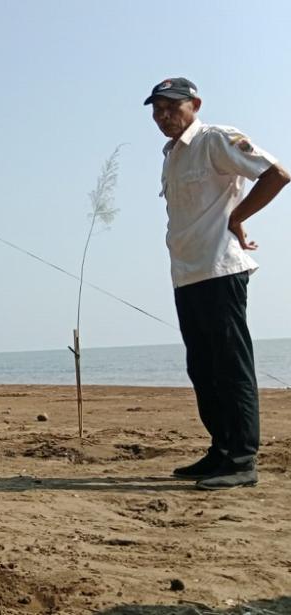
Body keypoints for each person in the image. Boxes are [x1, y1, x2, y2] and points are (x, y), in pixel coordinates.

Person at [145, 77, 289, 490]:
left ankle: (242, 459)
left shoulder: (215, 139)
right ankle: (220, 450)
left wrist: (238, 218)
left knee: (230, 367)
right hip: (187, 274)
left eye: (172, 106)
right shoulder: (171, 155)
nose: (163, 115)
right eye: (157, 109)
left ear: (195, 104)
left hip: (220, 269)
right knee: (203, 368)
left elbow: (276, 175)